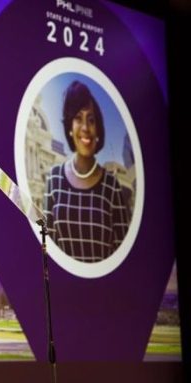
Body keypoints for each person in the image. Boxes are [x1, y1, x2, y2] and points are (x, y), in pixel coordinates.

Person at [43, 81, 130, 262]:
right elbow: (48, 246)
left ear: (98, 130)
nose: (85, 128)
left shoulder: (111, 187)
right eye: (78, 118)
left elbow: (123, 253)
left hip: (107, 289)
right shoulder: (54, 179)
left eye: (91, 120)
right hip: (63, 289)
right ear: (69, 128)